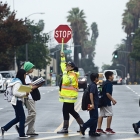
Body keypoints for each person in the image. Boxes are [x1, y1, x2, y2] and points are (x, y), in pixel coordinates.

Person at [57, 52, 84, 134]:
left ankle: (65, 128)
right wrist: (62, 57)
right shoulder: (69, 72)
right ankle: (82, 125)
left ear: (72, 67)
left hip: (70, 97)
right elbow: (62, 65)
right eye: (67, 65)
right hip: (68, 96)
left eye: (68, 66)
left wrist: (64, 72)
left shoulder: (73, 74)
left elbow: (66, 81)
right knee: (71, 111)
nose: (66, 67)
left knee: (65, 111)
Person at [1, 69, 30, 138]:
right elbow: (15, 92)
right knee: (22, 117)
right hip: (17, 101)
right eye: (25, 74)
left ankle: (4, 128)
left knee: (18, 118)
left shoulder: (16, 80)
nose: (26, 76)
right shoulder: (18, 82)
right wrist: (24, 93)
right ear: (22, 75)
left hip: (16, 101)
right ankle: (22, 134)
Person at [16, 62, 40, 136]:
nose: (32, 69)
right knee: (33, 113)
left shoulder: (27, 76)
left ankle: (30, 130)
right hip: (28, 97)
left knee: (32, 114)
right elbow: (24, 87)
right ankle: (21, 126)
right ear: (28, 68)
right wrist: (36, 86)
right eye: (31, 68)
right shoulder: (25, 76)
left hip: (30, 96)